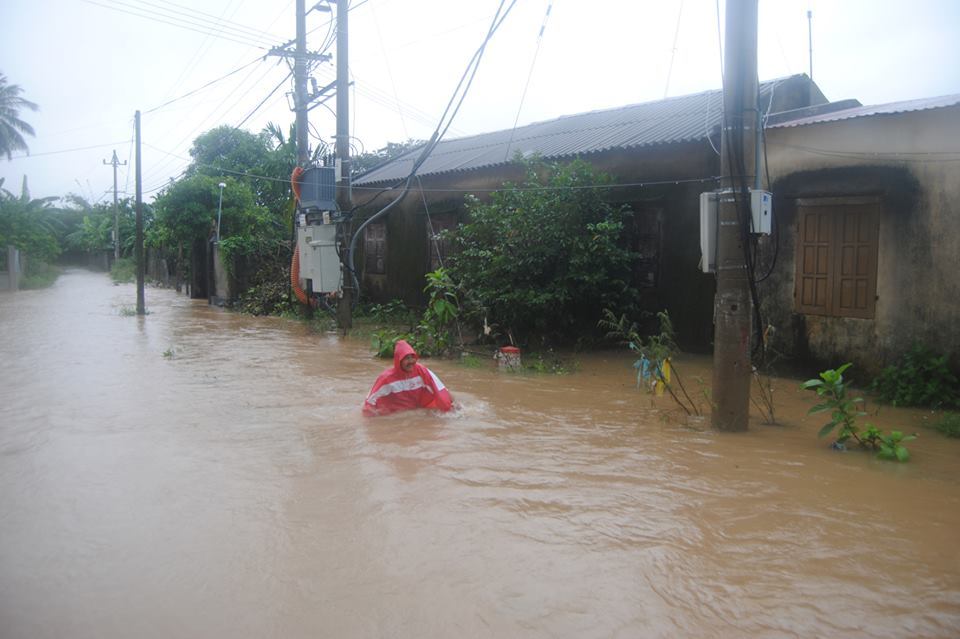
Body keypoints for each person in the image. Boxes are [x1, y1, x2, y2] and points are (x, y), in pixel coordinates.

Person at [362, 339, 454, 417]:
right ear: (399, 361)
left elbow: (440, 389)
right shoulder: (386, 379)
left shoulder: (422, 371)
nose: (411, 361)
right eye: (406, 358)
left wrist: (450, 407)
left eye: (412, 357)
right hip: (396, 416)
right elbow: (370, 402)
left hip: (416, 413)